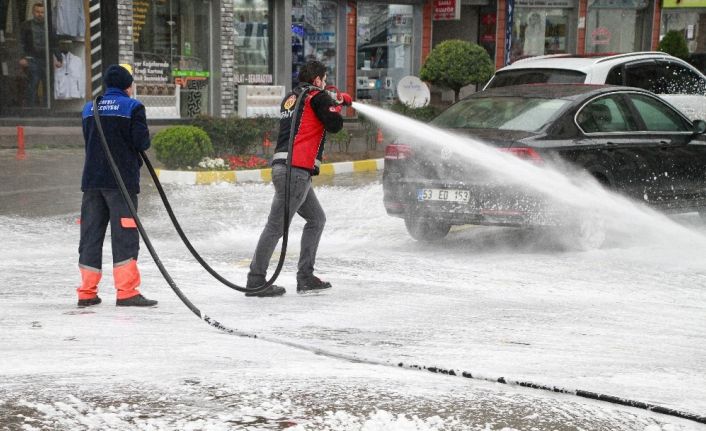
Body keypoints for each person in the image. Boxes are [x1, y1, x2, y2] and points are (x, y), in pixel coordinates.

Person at [246, 60, 352, 297]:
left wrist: (332, 103)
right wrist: (339, 104)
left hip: (286, 169)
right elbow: (335, 125)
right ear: (317, 80)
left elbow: (311, 119)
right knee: (276, 226)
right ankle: (255, 280)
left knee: (317, 219)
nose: (325, 84)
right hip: (296, 171)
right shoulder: (317, 95)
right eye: (324, 79)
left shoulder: (292, 98)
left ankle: (306, 276)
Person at [76, 64, 157, 307]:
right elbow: (142, 142)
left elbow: (89, 140)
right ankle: (126, 292)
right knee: (124, 236)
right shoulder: (133, 107)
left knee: (90, 236)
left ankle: (87, 292)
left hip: (91, 183)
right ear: (128, 86)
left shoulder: (89, 108)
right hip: (121, 184)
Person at [19, 2, 50, 107]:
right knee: (33, 83)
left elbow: (54, 43)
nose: (40, 14)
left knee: (48, 85)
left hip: (46, 59)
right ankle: (30, 109)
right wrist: (22, 57)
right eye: (37, 12)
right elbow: (21, 43)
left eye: (42, 12)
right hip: (31, 58)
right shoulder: (26, 25)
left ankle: (47, 108)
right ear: (33, 12)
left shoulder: (49, 26)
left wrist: (57, 58)